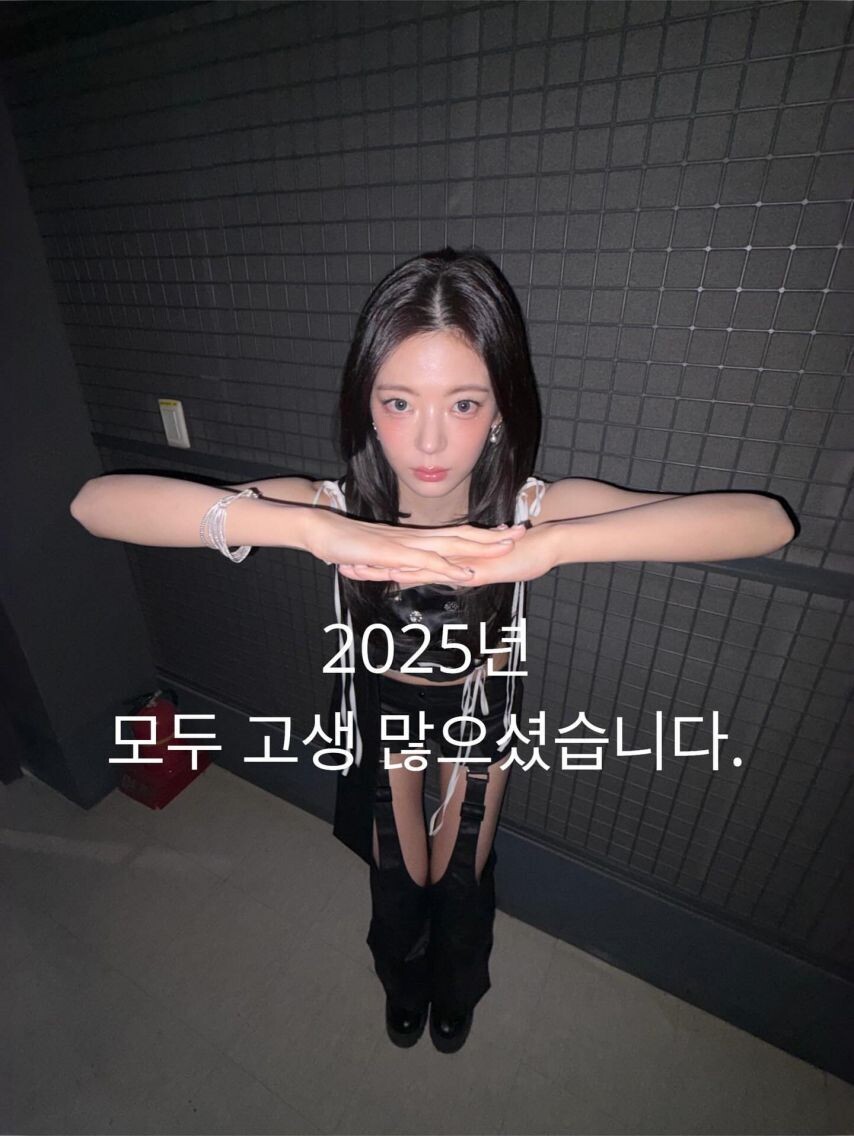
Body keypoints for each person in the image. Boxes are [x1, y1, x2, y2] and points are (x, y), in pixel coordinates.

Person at [70, 246, 797, 1054]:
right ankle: (403, 979)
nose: (428, 440)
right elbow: (96, 504)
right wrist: (310, 529)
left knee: (459, 872)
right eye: (398, 402)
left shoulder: (528, 506)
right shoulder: (337, 504)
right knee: (397, 872)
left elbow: (767, 524)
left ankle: (456, 986)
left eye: (463, 403)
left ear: (500, 409)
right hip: (383, 710)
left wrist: (549, 547)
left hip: (481, 711)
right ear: (367, 403)